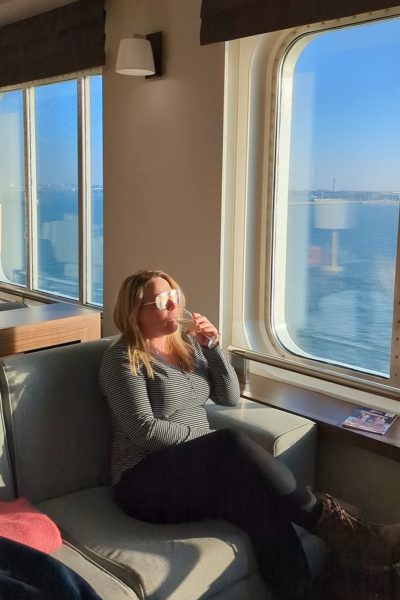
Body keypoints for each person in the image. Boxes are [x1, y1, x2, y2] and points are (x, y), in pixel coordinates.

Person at [99, 269, 400, 600]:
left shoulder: (186, 344)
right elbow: (146, 432)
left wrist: (213, 347)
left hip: (195, 472)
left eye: (175, 297)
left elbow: (228, 397)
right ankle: (354, 536)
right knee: (228, 442)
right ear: (134, 311)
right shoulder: (121, 359)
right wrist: (206, 444)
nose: (173, 306)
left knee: (262, 508)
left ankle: (323, 591)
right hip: (142, 482)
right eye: (161, 301)